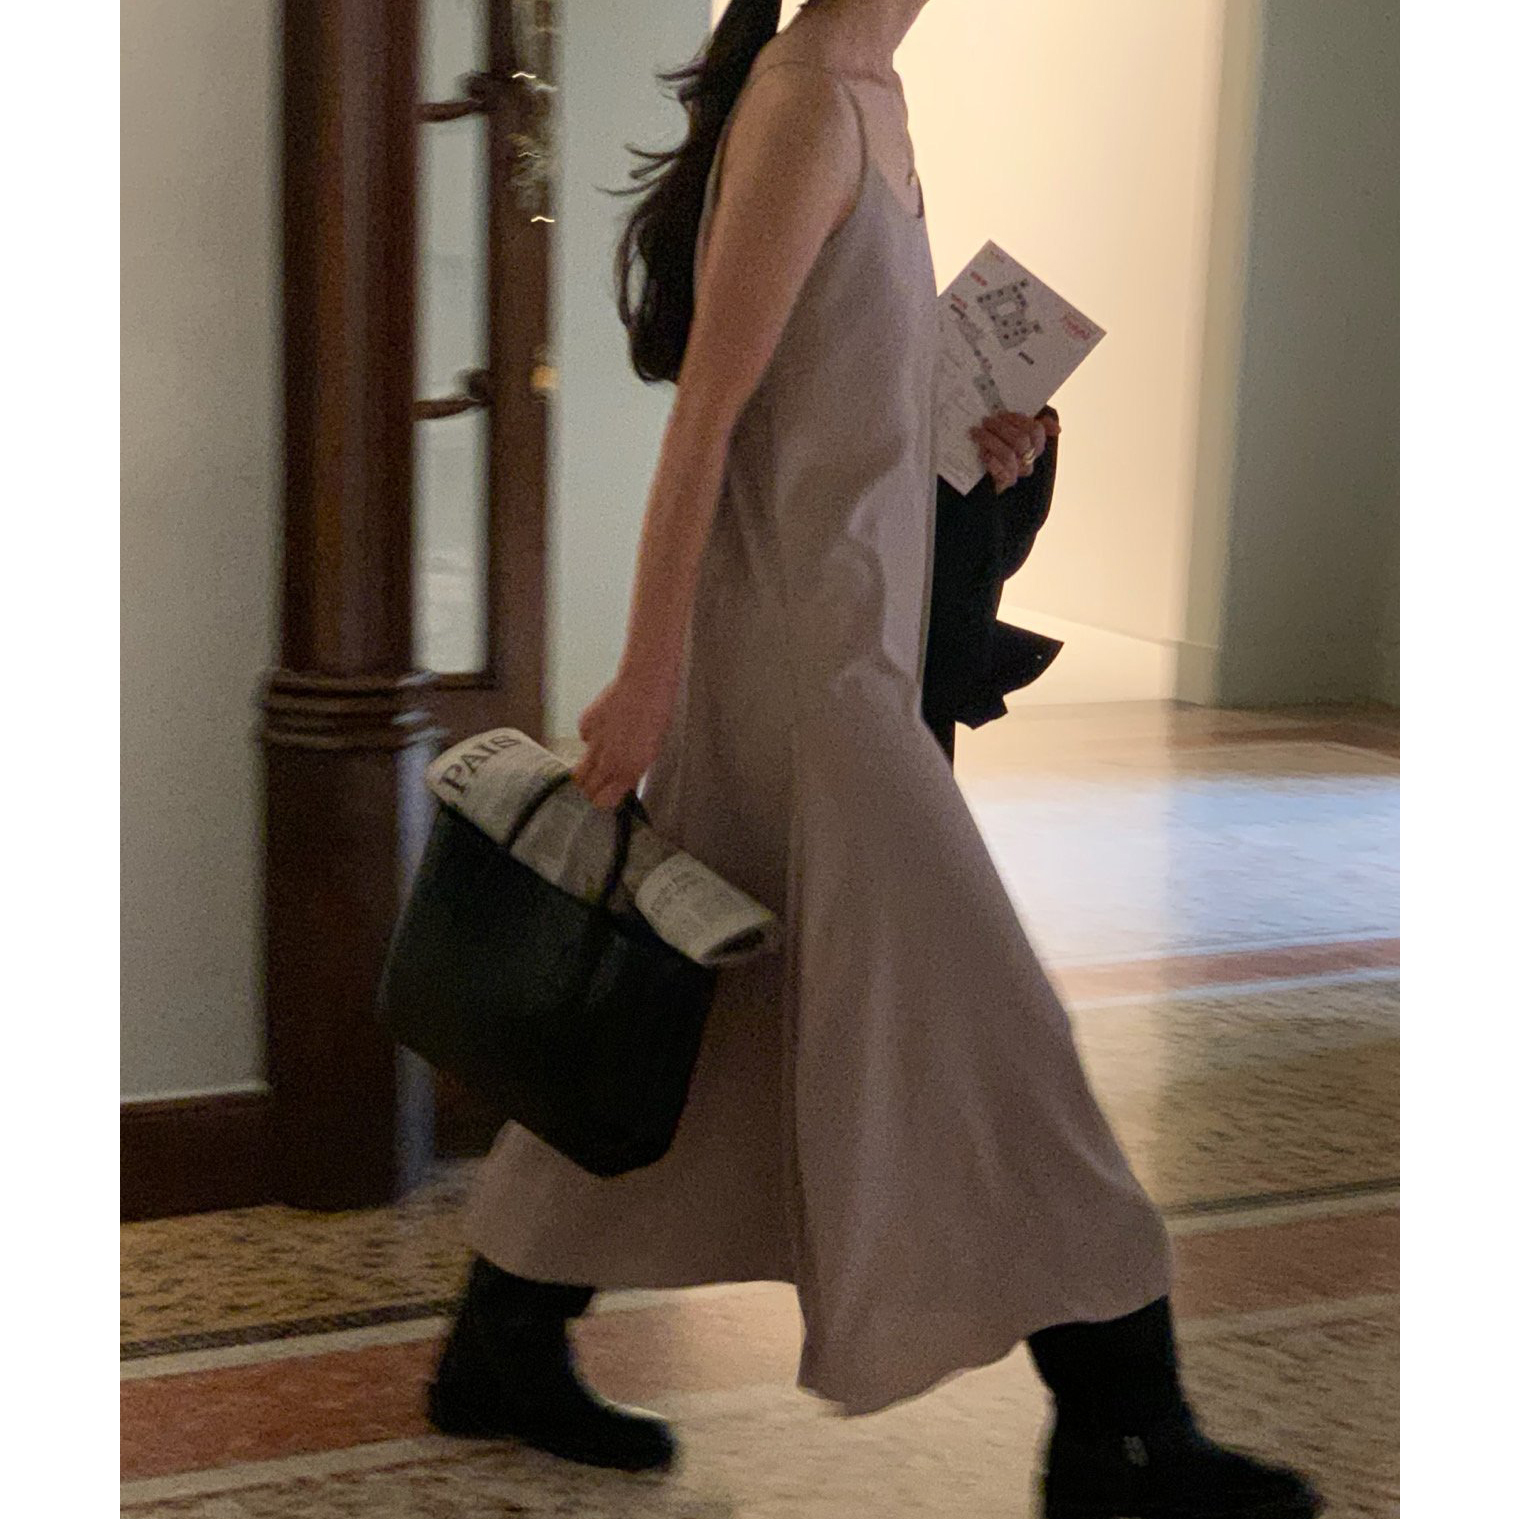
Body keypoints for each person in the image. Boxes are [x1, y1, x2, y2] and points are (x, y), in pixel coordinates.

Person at [427, 4, 1323, 1515]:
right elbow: (708, 423)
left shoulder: (870, 95)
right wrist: (646, 678)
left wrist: (969, 436)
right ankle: (1122, 1425)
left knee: (702, 1019)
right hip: (809, 685)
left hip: (847, 656)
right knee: (1004, 1039)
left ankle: (500, 1340)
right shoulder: (804, 106)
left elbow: (824, 400)